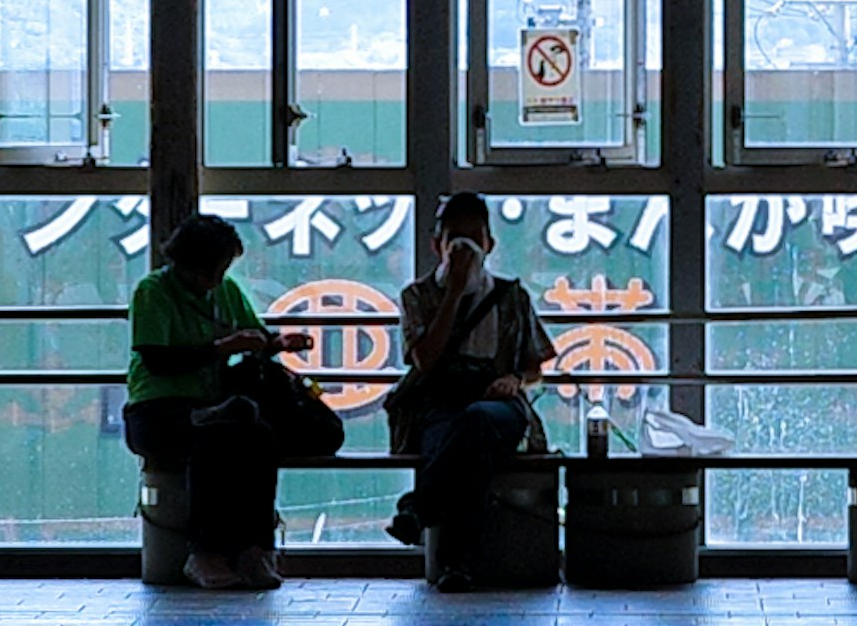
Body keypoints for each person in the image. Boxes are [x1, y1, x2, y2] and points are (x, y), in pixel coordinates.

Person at [124, 212, 343, 590]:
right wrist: (221, 348)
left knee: (260, 436)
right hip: (158, 411)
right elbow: (158, 361)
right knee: (214, 436)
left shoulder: (226, 291)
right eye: (207, 271)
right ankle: (205, 552)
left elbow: (254, 336)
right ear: (183, 264)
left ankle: (256, 549)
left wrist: (277, 344)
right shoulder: (153, 292)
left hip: (215, 406)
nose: (213, 280)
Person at [385, 193, 559, 579]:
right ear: (438, 246)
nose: (464, 249)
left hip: (497, 403)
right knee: (468, 449)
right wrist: (452, 293)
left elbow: (536, 366)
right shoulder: (418, 296)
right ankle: (457, 564)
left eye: (473, 239)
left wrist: (513, 380)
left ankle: (418, 507)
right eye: (454, 239)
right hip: (441, 401)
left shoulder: (511, 296)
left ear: (489, 244)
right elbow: (425, 359)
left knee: (476, 423)